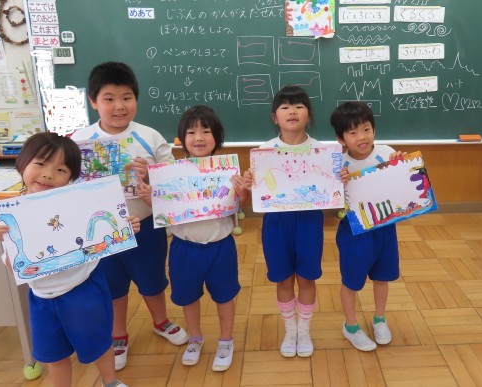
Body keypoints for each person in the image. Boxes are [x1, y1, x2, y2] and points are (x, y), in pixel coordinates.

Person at [0, 132, 139, 387]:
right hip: (41, 298)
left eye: (60, 169)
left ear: (70, 177)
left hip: (83, 289)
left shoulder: (79, 201)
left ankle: (110, 381)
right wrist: (4, 243)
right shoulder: (12, 214)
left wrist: (126, 227)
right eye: (40, 164)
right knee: (54, 354)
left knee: (99, 343)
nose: (48, 174)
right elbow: (17, 269)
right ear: (22, 164)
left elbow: (107, 228)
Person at [71, 62, 188, 371]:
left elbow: (173, 180)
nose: (119, 106)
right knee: (113, 285)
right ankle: (118, 334)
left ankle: (160, 321)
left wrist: (151, 174)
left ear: (136, 99)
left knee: (152, 280)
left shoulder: (149, 136)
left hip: (146, 226)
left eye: (127, 97)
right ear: (93, 101)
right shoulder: (80, 141)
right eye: (109, 98)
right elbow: (68, 182)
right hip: (102, 231)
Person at [137, 105, 249, 370]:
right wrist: (151, 200)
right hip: (184, 248)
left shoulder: (227, 171)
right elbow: (166, 211)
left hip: (220, 246)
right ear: (181, 139)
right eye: (191, 132)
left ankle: (226, 340)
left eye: (206, 131)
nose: (199, 137)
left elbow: (238, 206)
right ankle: (195, 337)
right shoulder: (170, 174)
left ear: (217, 137)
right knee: (187, 297)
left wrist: (242, 192)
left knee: (225, 296)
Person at [243, 86, 324, 358]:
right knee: (283, 278)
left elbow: (330, 188)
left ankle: (304, 330)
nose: (292, 111)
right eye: (285, 107)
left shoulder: (322, 151)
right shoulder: (264, 152)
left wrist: (340, 178)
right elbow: (259, 191)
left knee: (307, 277)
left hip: (310, 222)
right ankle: (290, 330)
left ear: (308, 115)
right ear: (274, 117)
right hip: (276, 223)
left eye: (299, 106)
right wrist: (250, 181)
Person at [329, 101, 405, 351]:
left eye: (366, 129)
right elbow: (333, 207)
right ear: (340, 139)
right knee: (351, 280)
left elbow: (402, 186)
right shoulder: (339, 165)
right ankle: (350, 326)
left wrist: (401, 165)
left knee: (383, 276)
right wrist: (338, 184)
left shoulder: (386, 152)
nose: (362, 137)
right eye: (353, 132)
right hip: (354, 231)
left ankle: (379, 319)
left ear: (374, 129)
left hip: (385, 227)